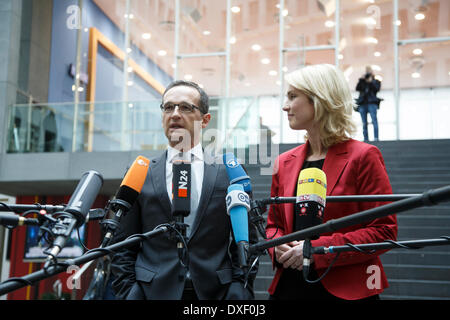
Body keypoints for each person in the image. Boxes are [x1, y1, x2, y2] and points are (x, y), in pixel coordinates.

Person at [110, 80, 258, 300]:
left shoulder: (228, 172)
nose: (175, 114)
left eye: (186, 107)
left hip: (217, 294)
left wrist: (240, 288)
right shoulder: (140, 173)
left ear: (205, 120)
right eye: (168, 107)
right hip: (151, 293)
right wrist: (129, 292)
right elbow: (122, 243)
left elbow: (248, 240)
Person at [265, 64, 398, 300]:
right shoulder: (284, 161)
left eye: (293, 96)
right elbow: (274, 226)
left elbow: (383, 231)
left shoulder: (364, 156)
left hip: (347, 290)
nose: (285, 106)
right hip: (289, 286)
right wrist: (276, 245)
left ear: (320, 100)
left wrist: (319, 250)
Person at [355, 66, 381, 142]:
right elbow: (357, 88)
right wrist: (361, 79)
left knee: (374, 120)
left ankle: (376, 138)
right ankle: (366, 139)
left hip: (372, 103)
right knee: (364, 122)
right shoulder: (362, 81)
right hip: (363, 103)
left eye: (369, 71)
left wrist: (371, 81)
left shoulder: (376, 81)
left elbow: (377, 89)